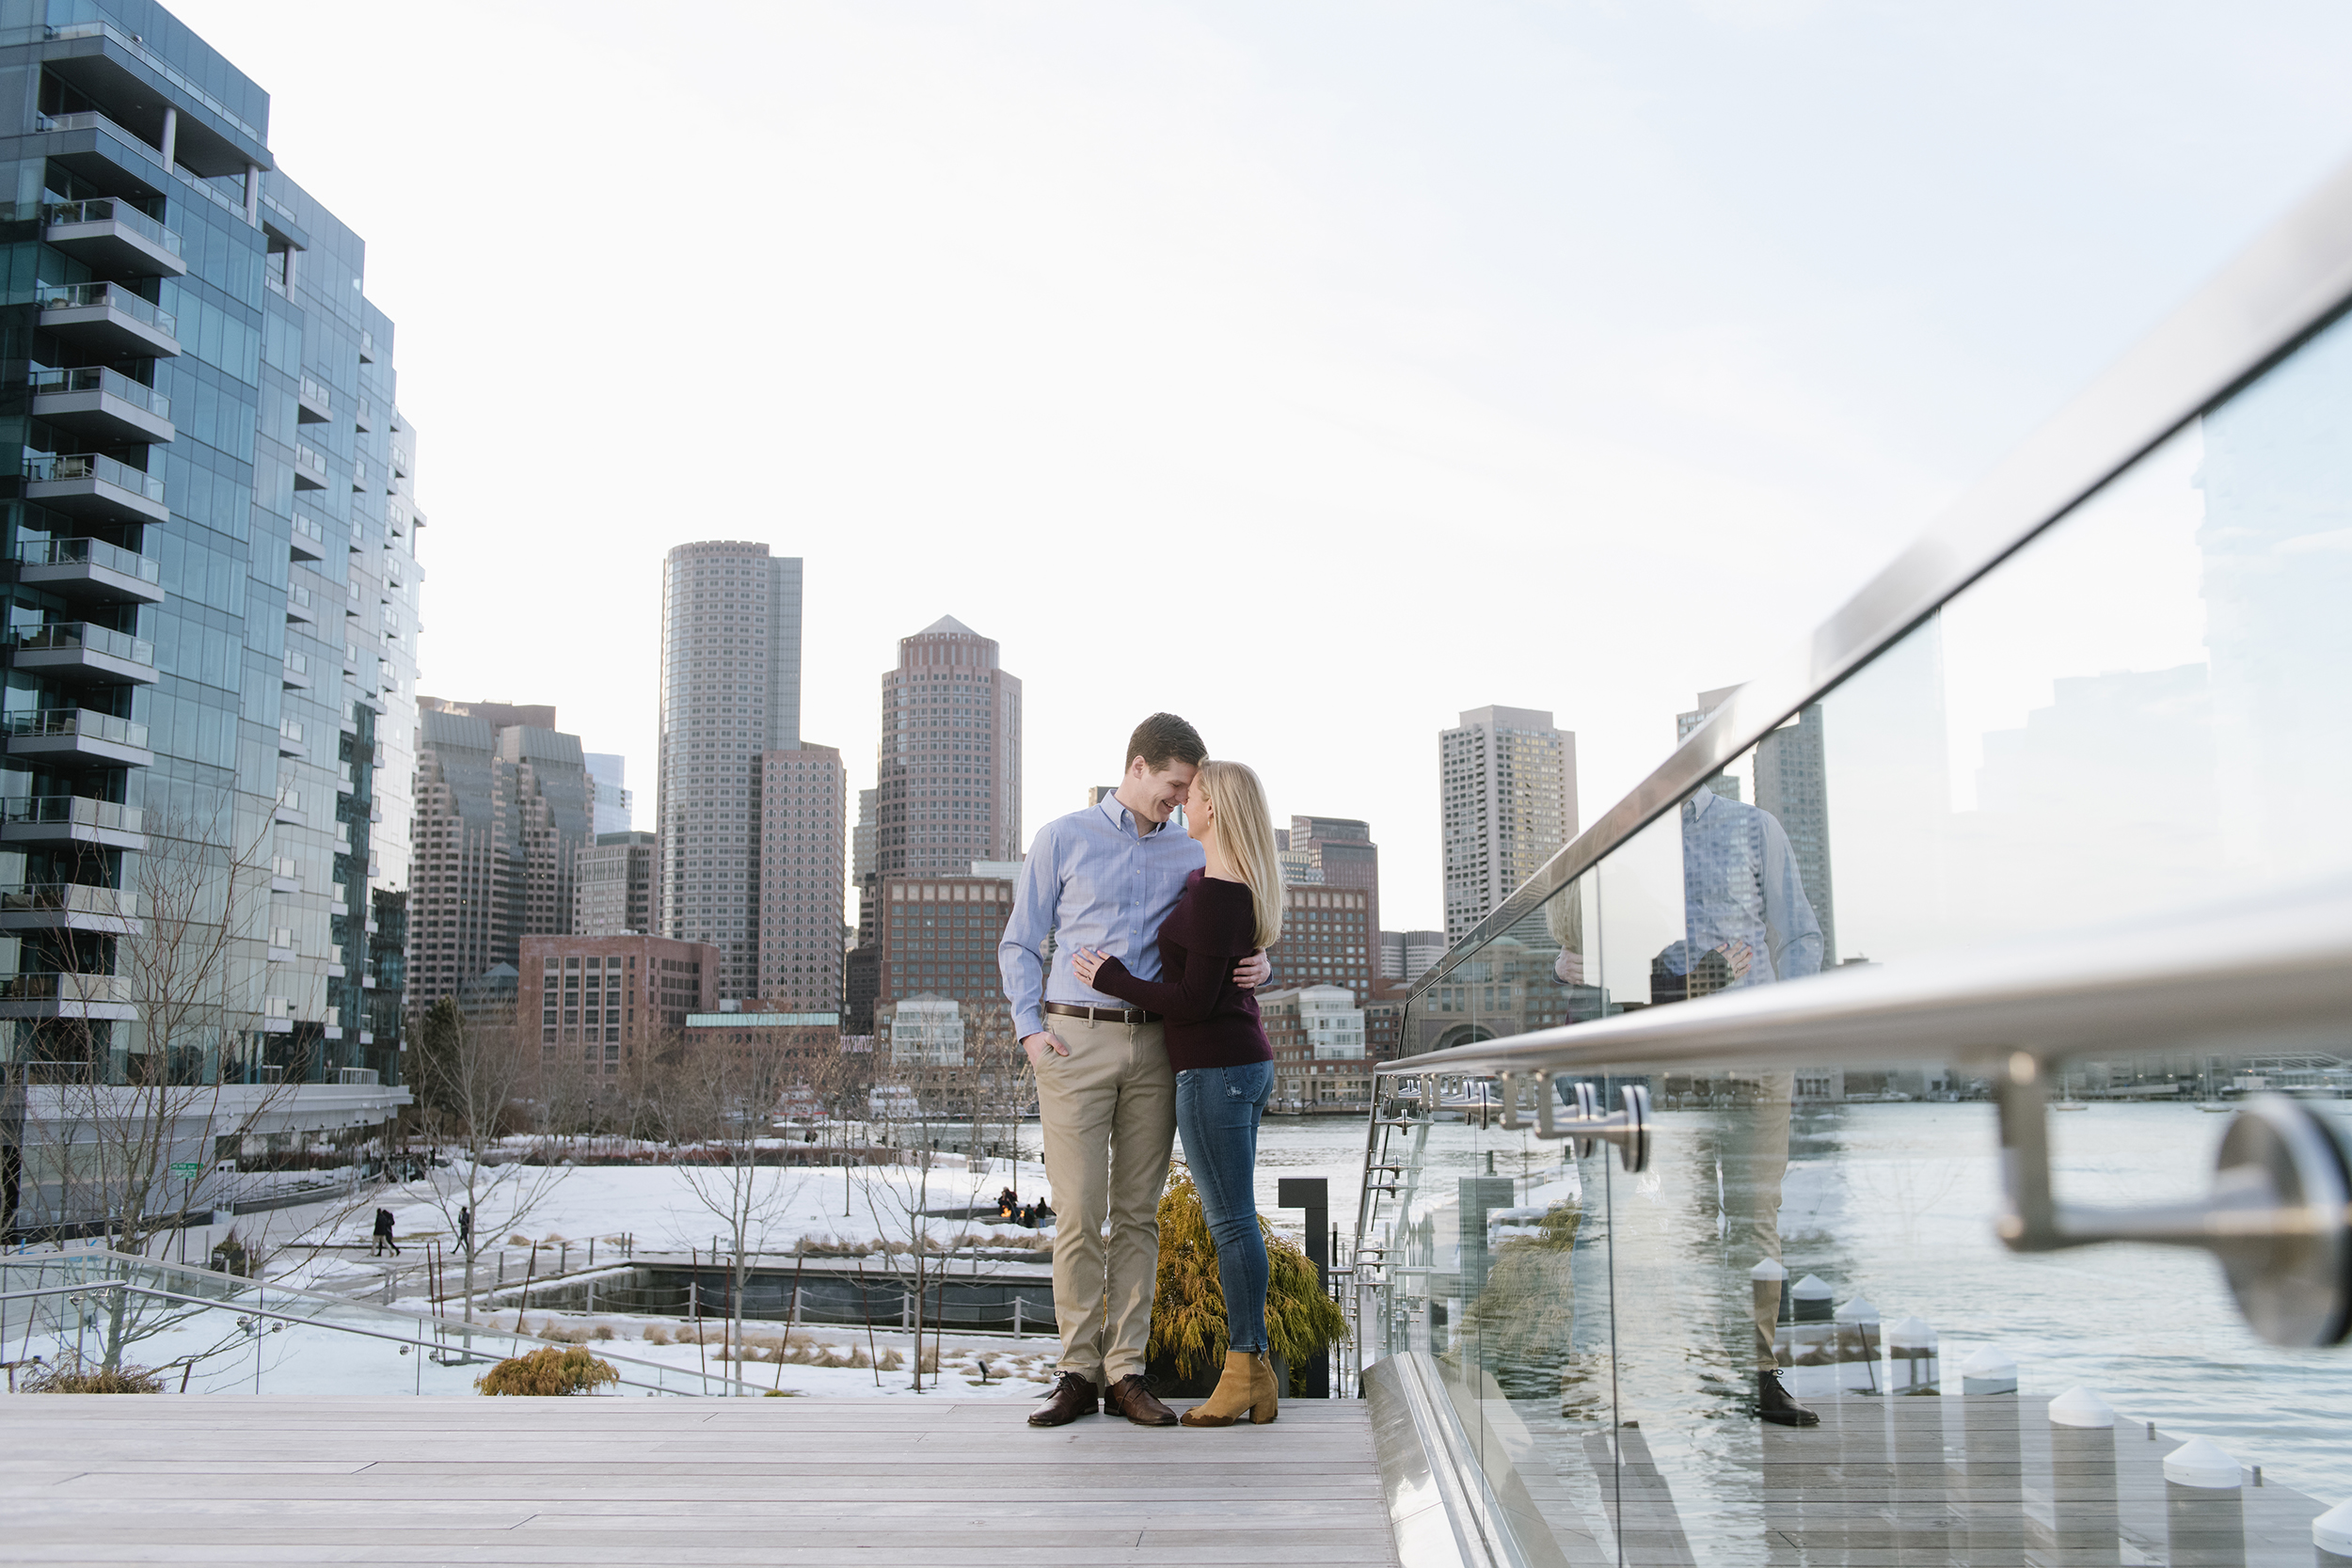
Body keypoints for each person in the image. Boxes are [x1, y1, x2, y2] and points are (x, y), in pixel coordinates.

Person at [999, 713, 1271, 1428]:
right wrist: (1029, 1030)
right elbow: (1020, 943)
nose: (1180, 801)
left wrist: (1263, 962)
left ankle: (1126, 1371)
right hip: (1070, 1040)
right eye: (1174, 786)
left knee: (1138, 1214)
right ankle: (1076, 1370)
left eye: (1189, 792)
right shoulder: (1063, 836)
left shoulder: (1192, 847)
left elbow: (1229, 921)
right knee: (1081, 1210)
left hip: (1157, 1043)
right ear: (1140, 765)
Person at [1072, 757, 1283, 1428]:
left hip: (1214, 1068)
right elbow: (1220, 969)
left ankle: (1246, 1369)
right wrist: (1262, 961)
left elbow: (1191, 1000)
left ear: (1214, 807)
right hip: (1237, 1062)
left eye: (1192, 795)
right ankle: (1257, 1373)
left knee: (1231, 1222)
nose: (1183, 802)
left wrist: (1114, 977)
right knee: (1237, 1218)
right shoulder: (1217, 882)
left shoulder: (1219, 894)